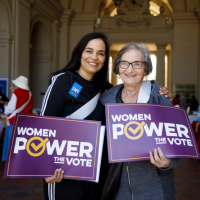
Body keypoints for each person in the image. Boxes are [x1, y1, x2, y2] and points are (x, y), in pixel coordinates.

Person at [40, 33, 171, 200]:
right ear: (80, 53)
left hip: (97, 175)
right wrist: (44, 168)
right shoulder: (62, 82)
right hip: (63, 172)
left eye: (101, 53)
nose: (94, 57)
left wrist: (159, 90)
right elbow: (43, 127)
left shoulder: (108, 90)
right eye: (89, 51)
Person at [100, 42, 180, 200]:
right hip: (117, 188)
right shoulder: (105, 100)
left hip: (155, 188)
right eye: (124, 63)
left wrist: (168, 163)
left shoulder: (159, 98)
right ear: (117, 67)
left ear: (146, 68)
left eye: (137, 64)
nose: (129, 70)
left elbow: (176, 143)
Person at [2, 76, 33, 161]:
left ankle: (10, 162)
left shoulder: (16, 93)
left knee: (11, 142)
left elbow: (11, 108)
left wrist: (5, 107)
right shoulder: (29, 93)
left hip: (14, 121)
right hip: (26, 121)